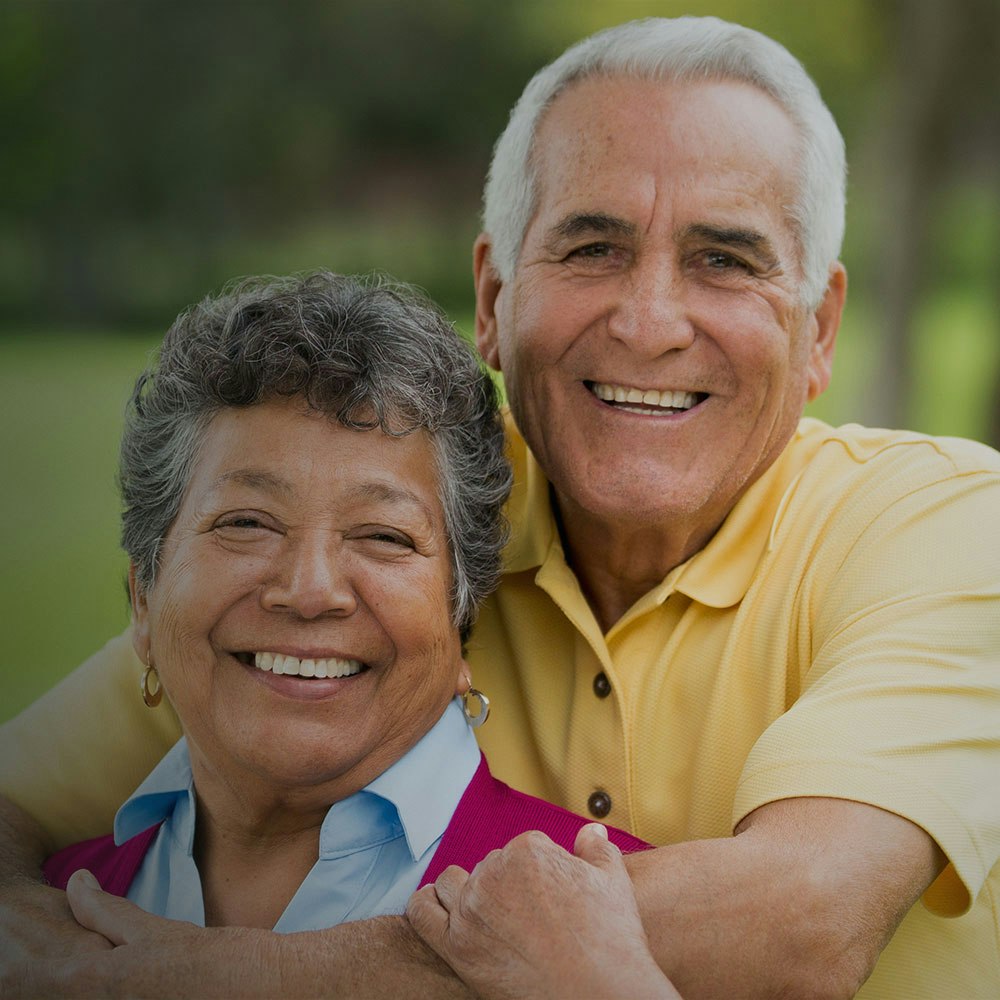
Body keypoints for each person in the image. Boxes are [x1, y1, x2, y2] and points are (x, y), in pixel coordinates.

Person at [1, 14, 998, 1000]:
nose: (649, 323)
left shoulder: (948, 526)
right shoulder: (415, 508)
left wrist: (219, 973)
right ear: (491, 297)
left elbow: (805, 918)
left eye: (725, 260)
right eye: (592, 247)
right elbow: (49, 772)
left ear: (818, 330)